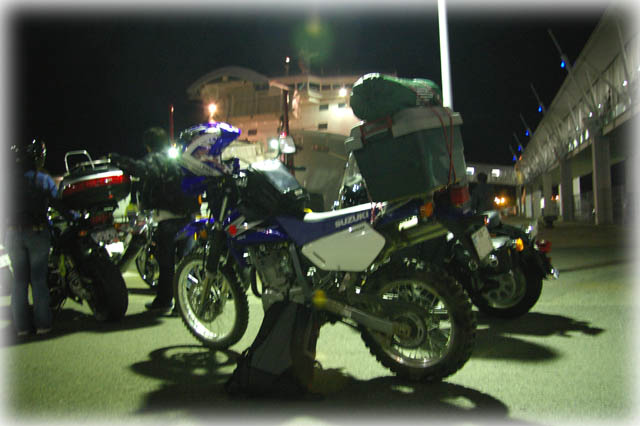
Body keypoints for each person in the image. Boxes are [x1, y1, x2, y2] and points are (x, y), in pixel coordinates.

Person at [110, 127, 200, 314]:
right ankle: (186, 305)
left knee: (166, 265)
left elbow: (140, 169)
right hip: (188, 217)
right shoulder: (180, 158)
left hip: (168, 218)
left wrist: (117, 159)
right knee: (187, 263)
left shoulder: (156, 158)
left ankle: (164, 301)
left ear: (149, 145)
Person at [4, 139, 58, 337]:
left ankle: (22, 328)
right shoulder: (42, 179)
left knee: (19, 282)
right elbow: (58, 202)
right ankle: (43, 325)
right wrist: (75, 217)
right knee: (38, 281)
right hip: (36, 232)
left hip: (13, 233)